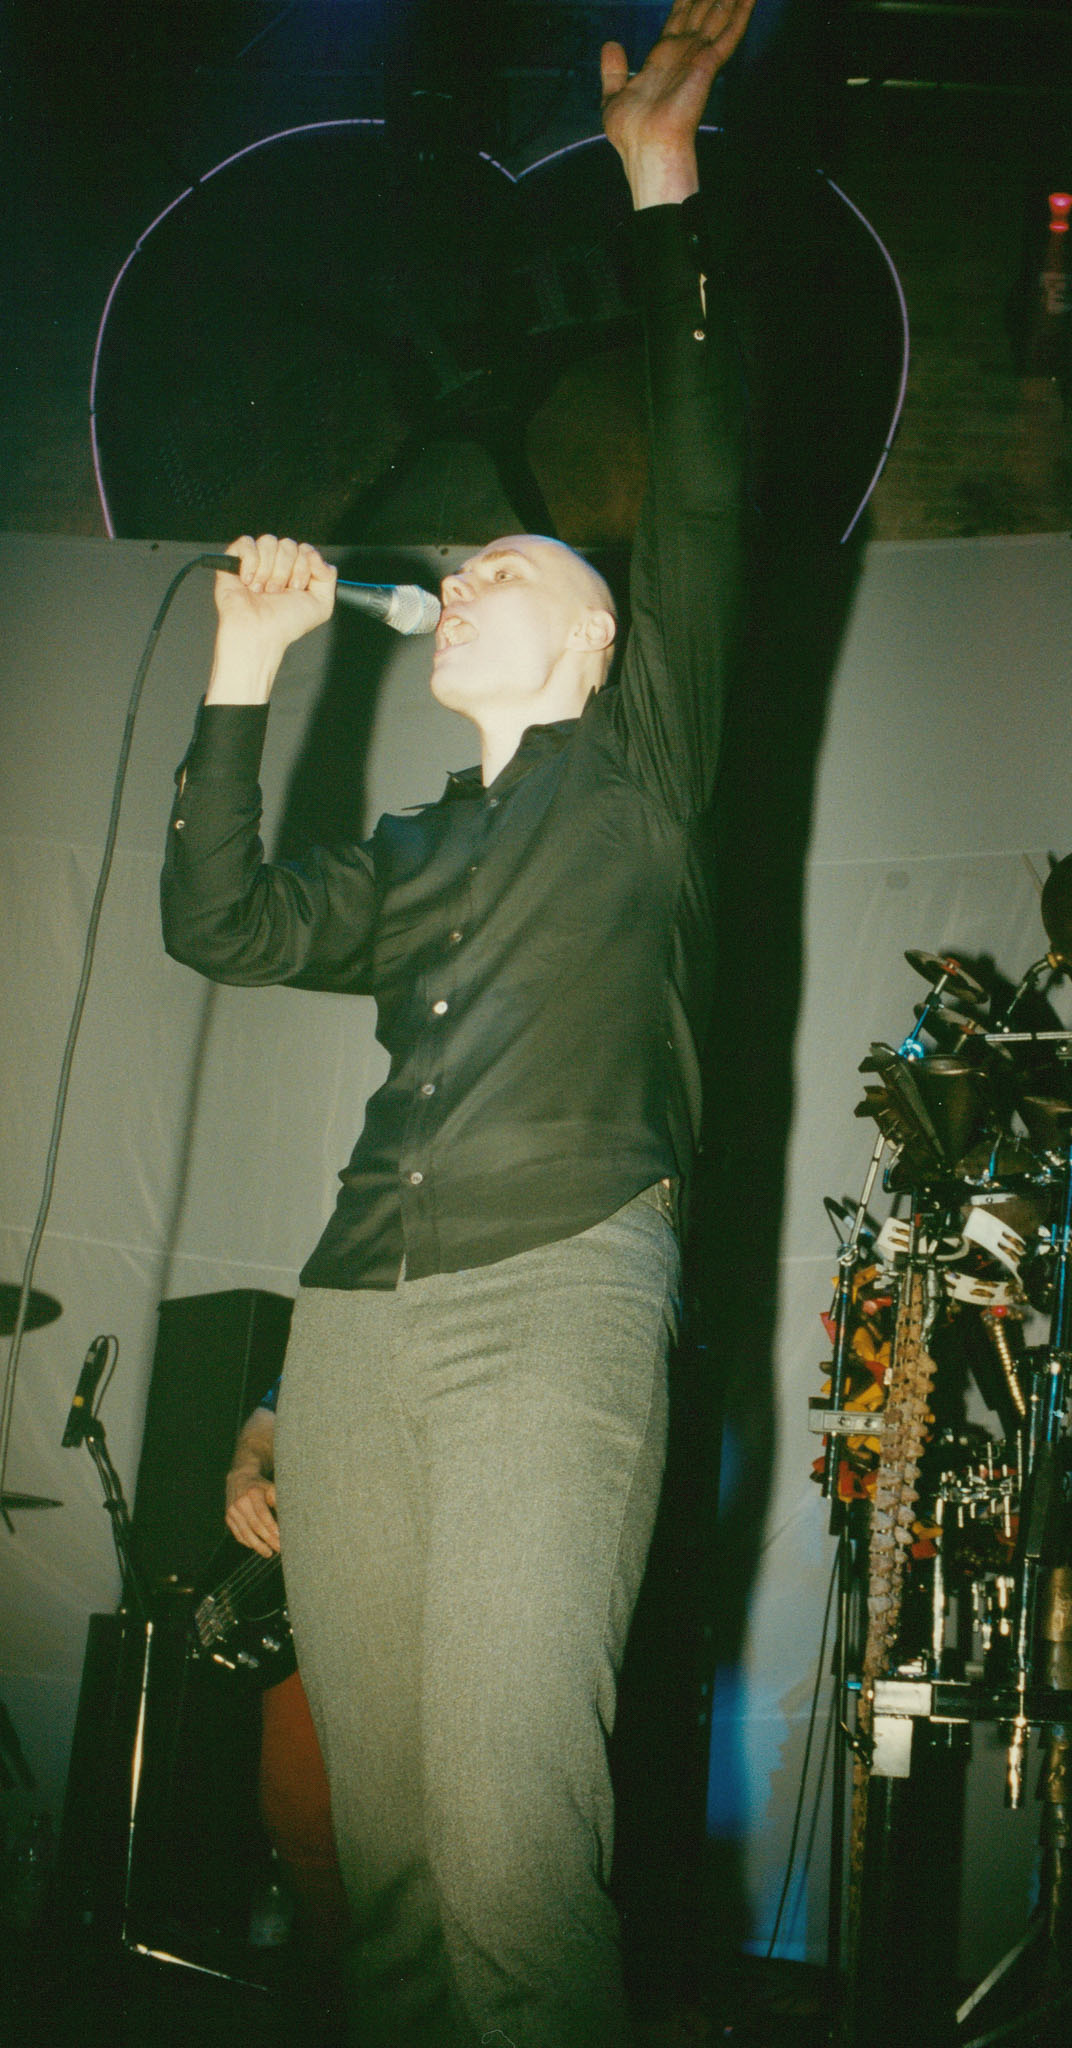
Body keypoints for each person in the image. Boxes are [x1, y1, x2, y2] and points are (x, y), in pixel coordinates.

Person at [160, 5, 753, 2042]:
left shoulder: (648, 761)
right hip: (354, 1330)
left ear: (595, 642)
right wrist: (245, 674)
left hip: (558, 1290)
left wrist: (660, 181)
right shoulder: (417, 850)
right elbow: (223, 920)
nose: (469, 575)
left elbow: (705, 481)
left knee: (511, 1852)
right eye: (467, 564)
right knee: (388, 1872)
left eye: (511, 564)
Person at [224, 1393, 348, 1989]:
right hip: (317, 1589)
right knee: (295, 1805)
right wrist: (244, 1472)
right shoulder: (332, 1333)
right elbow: (272, 1409)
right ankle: (333, 1985)